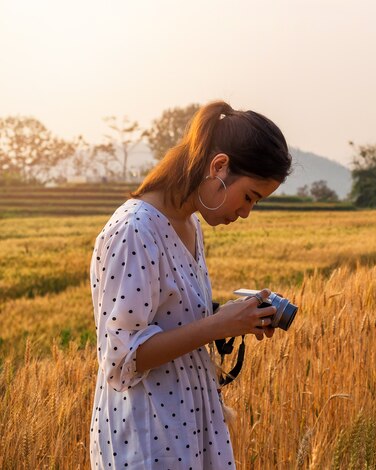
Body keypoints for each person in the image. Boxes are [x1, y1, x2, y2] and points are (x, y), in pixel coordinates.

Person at [89, 100, 292, 469]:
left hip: (188, 428)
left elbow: (174, 324)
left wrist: (235, 319)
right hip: (149, 439)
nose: (246, 212)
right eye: (249, 197)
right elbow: (120, 360)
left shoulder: (189, 224)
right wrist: (220, 324)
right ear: (219, 167)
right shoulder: (135, 229)